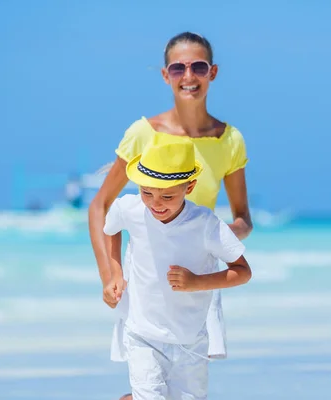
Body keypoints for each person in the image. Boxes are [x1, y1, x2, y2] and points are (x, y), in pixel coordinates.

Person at [87, 31, 253, 400]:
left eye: (198, 66)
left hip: (200, 273)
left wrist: (212, 237)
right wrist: (110, 273)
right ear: (166, 75)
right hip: (145, 275)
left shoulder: (230, 140)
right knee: (147, 381)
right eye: (178, 67)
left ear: (213, 72)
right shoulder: (143, 133)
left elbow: (243, 218)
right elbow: (101, 206)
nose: (188, 75)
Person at [103, 139, 252, 400]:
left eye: (167, 196)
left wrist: (196, 282)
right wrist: (115, 273)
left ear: (190, 186)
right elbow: (112, 227)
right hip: (142, 335)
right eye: (147, 193)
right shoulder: (130, 208)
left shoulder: (205, 224)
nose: (156, 203)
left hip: (190, 341)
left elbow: (242, 271)